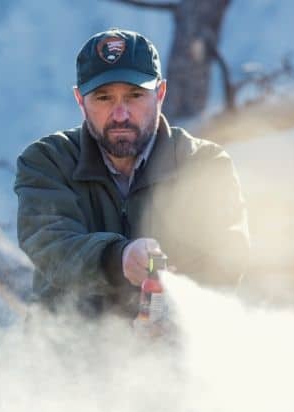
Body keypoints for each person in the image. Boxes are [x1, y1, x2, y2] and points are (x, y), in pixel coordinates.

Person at [14, 28, 250, 318]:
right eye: (103, 98)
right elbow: (50, 245)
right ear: (80, 100)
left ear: (160, 94)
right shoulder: (48, 160)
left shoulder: (204, 163)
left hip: (170, 352)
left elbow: (226, 259)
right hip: (63, 352)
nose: (120, 114)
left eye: (135, 95)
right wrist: (119, 258)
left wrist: (166, 317)